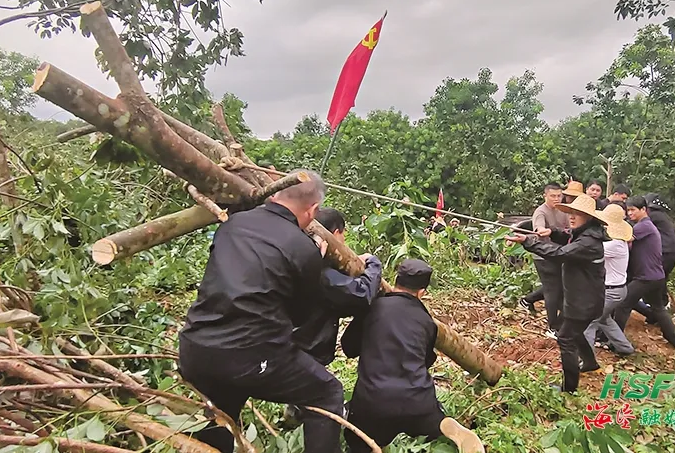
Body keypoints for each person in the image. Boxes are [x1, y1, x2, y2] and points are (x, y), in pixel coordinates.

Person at [178, 171, 345, 453]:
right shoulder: (303, 248)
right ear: (313, 210)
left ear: (275, 195)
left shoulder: (233, 224)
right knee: (327, 393)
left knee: (223, 410)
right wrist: (313, 260)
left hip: (196, 348)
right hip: (252, 355)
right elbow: (301, 315)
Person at [341, 259, 485, 453]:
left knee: (357, 437)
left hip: (374, 401)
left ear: (396, 279)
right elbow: (426, 361)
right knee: (426, 419)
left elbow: (348, 347)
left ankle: (373, 445)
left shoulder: (372, 308)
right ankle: (439, 423)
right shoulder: (427, 321)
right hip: (417, 402)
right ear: (422, 292)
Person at [287, 207, 382, 423]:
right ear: (335, 233)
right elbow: (360, 294)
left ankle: (295, 416)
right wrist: (373, 264)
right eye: (343, 236)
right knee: (328, 393)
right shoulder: (321, 273)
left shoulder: (298, 256)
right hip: (304, 349)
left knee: (305, 392)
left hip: (296, 342)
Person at [506, 194, 606, 393]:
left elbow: (560, 254)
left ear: (589, 217)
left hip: (583, 302)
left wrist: (529, 241)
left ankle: (569, 389)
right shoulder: (587, 233)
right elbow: (567, 236)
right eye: (570, 213)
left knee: (565, 338)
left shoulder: (588, 242)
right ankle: (590, 362)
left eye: (577, 214)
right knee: (570, 331)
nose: (572, 217)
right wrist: (551, 231)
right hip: (583, 299)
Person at [613, 196, 675, 351]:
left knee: (623, 304)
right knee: (658, 308)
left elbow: (624, 236)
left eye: (633, 210)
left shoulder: (644, 226)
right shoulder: (646, 226)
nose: (630, 213)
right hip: (657, 276)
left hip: (646, 277)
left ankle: (615, 342)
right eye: (628, 210)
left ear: (644, 210)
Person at [518, 183, 569, 337]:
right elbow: (539, 228)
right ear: (545, 196)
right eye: (553, 196)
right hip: (542, 255)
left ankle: (527, 300)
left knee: (560, 286)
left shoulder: (563, 210)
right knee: (552, 290)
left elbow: (569, 228)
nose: (556, 198)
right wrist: (542, 231)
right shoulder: (540, 212)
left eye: (559, 195)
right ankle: (553, 328)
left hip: (558, 253)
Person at [583, 203, 634, 356]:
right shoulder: (618, 242)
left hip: (612, 291)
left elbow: (589, 251)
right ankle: (626, 349)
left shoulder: (614, 245)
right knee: (604, 320)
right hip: (615, 290)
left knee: (590, 320)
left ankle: (586, 358)